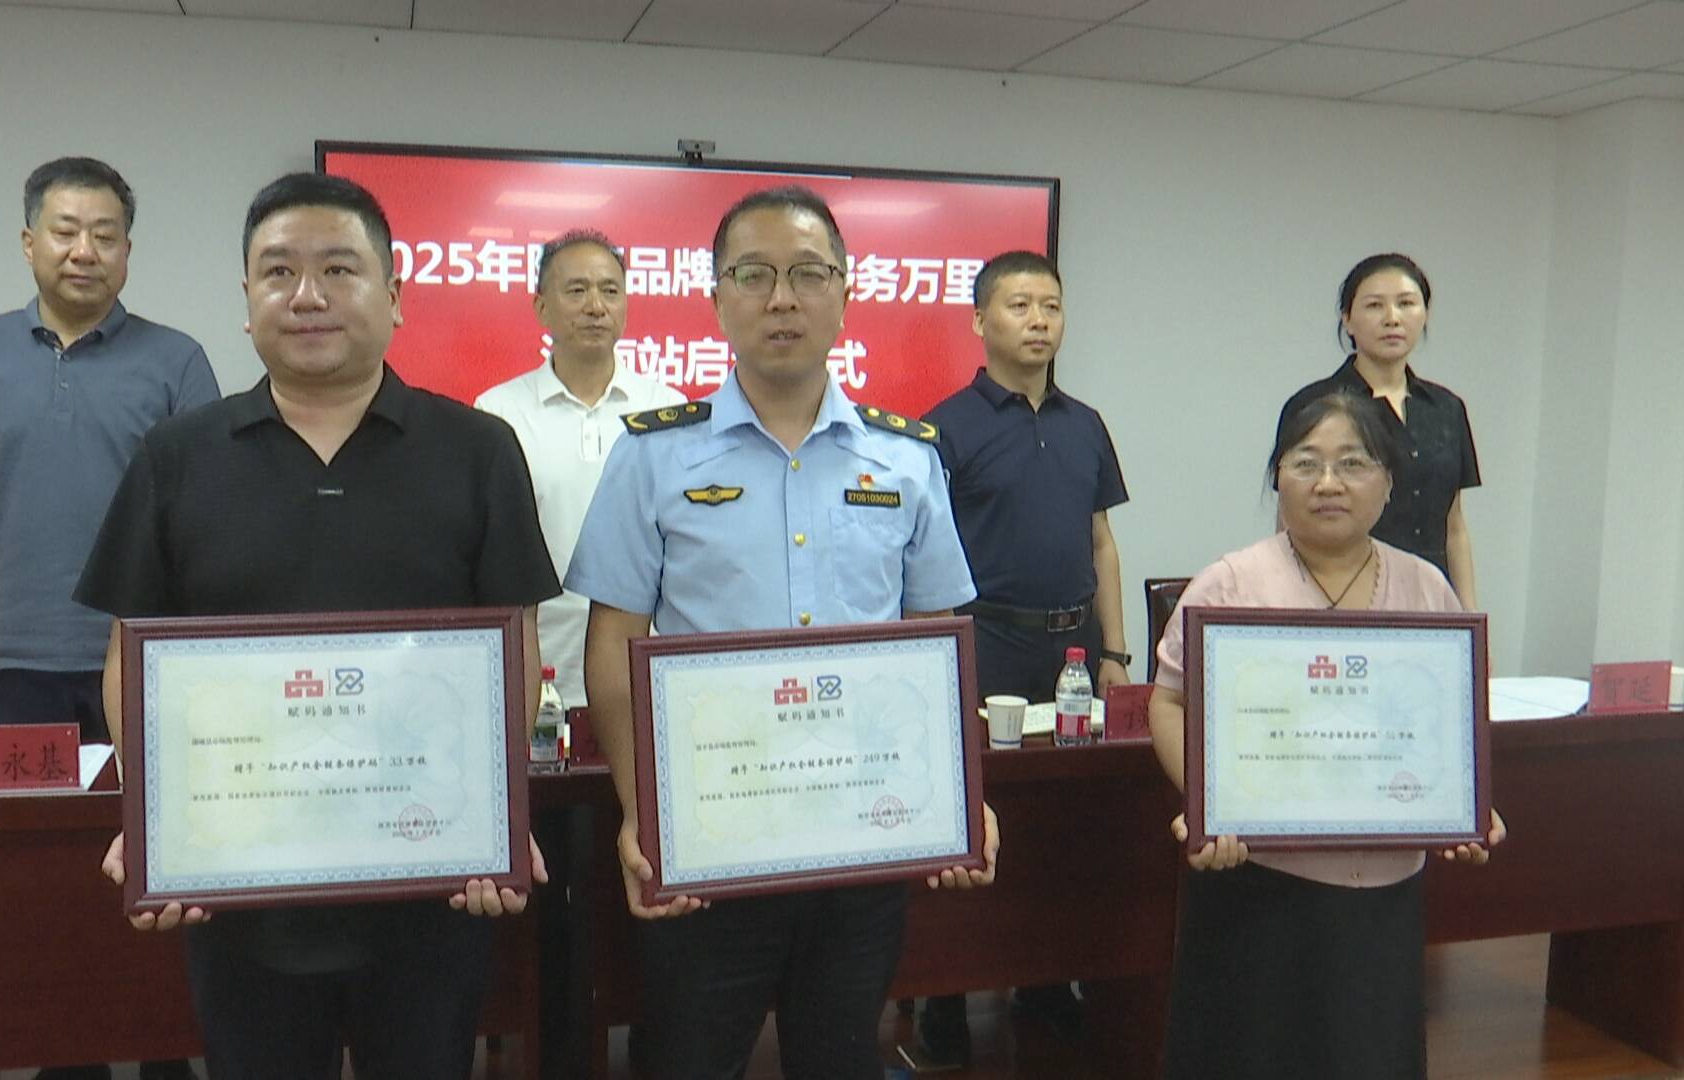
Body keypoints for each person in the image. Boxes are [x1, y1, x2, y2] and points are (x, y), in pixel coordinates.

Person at [79, 173, 559, 1078]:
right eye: (279, 272)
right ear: (247, 300)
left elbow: (516, 644)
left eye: (339, 269)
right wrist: (154, 817)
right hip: (242, 881)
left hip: (431, 878)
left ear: (395, 296)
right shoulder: (177, 456)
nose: (307, 296)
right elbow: (129, 657)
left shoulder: (476, 450)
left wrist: (498, 810)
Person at [568, 185, 999, 1080]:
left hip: (862, 826)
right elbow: (613, 643)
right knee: (689, 1057)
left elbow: (937, 642)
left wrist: (960, 792)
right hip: (710, 827)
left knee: (840, 1055)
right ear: (715, 297)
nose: (781, 299)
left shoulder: (906, 459)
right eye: (754, 275)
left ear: (844, 294)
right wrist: (641, 809)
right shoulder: (653, 456)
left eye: (808, 275)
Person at [0, 155, 217, 1080]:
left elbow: (211, 510)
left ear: (128, 251)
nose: (85, 250)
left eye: (106, 235)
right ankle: (62, 1058)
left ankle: (164, 1051)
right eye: (67, 231)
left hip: (148, 668)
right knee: (38, 883)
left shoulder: (176, 360)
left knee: (162, 868)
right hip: (16, 665)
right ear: (29, 241)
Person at [1148, 391, 1505, 1079]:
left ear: (1389, 481)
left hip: (1383, 891)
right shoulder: (1230, 583)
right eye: (1305, 462)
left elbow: (1449, 721)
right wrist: (1207, 800)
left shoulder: (1426, 587)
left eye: (1353, 463)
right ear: (1277, 477)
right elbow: (1168, 702)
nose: (1328, 482)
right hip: (1257, 881)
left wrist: (1467, 802)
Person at [913, 250, 1130, 1061]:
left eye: (1051, 306)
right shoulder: (944, 428)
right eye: (1019, 305)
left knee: (1064, 827)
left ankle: (1046, 981)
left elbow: (1102, 542)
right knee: (967, 821)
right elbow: (921, 559)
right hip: (985, 645)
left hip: (1072, 651)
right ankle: (943, 998)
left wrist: (1114, 650)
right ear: (980, 320)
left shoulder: (1086, 424)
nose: (1038, 321)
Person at [474, 228, 686, 709]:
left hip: (643, 673)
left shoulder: (667, 410)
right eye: (576, 290)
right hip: (538, 674)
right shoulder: (498, 413)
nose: (595, 306)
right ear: (541, 307)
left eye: (610, 290)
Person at [1278, 253, 1480, 608]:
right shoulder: (1314, 405)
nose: (1392, 318)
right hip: (1341, 596)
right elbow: (1290, 520)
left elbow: (1455, 526)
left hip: (1428, 599)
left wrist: (1469, 619)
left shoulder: (1447, 408)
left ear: (1424, 315)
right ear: (1347, 319)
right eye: (1374, 305)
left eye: (1406, 304)